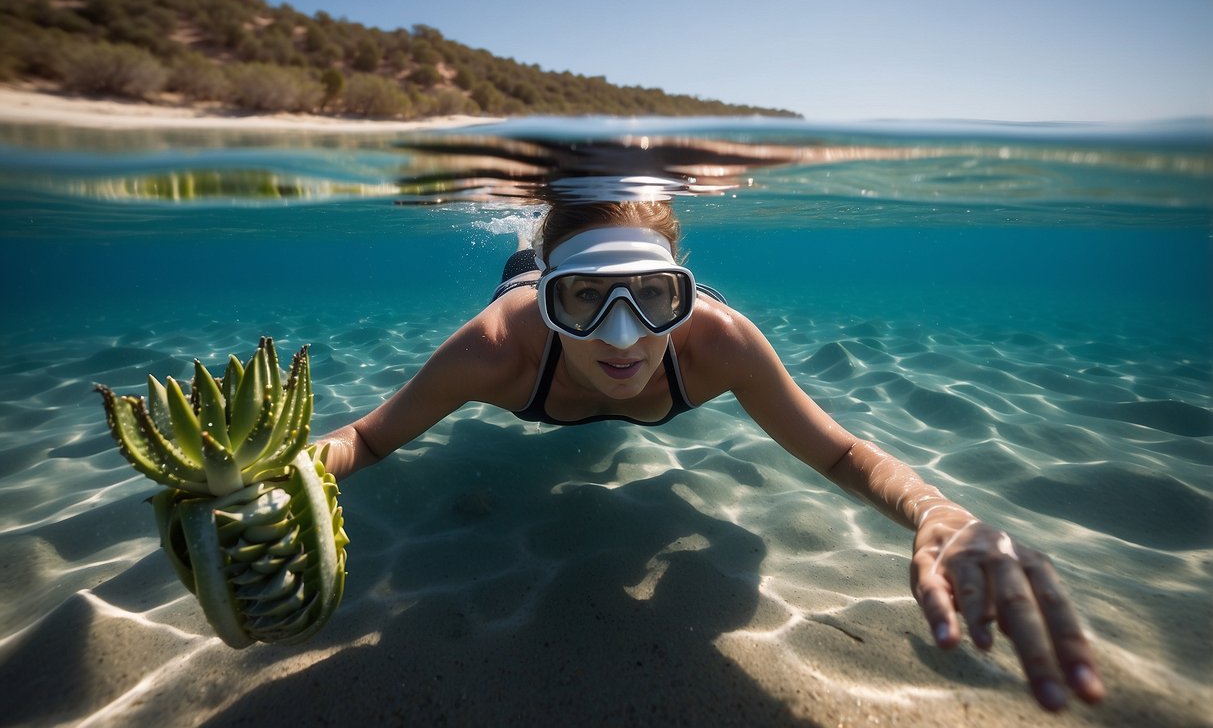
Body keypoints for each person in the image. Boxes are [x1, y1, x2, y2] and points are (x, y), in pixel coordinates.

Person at [320, 200, 1106, 712]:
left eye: (655, 297)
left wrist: (939, 513)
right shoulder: (495, 348)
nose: (622, 338)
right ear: (549, 303)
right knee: (516, 274)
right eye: (583, 299)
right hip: (519, 288)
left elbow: (839, 454)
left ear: (685, 293)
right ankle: (525, 249)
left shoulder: (719, 342)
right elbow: (367, 437)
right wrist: (288, 472)